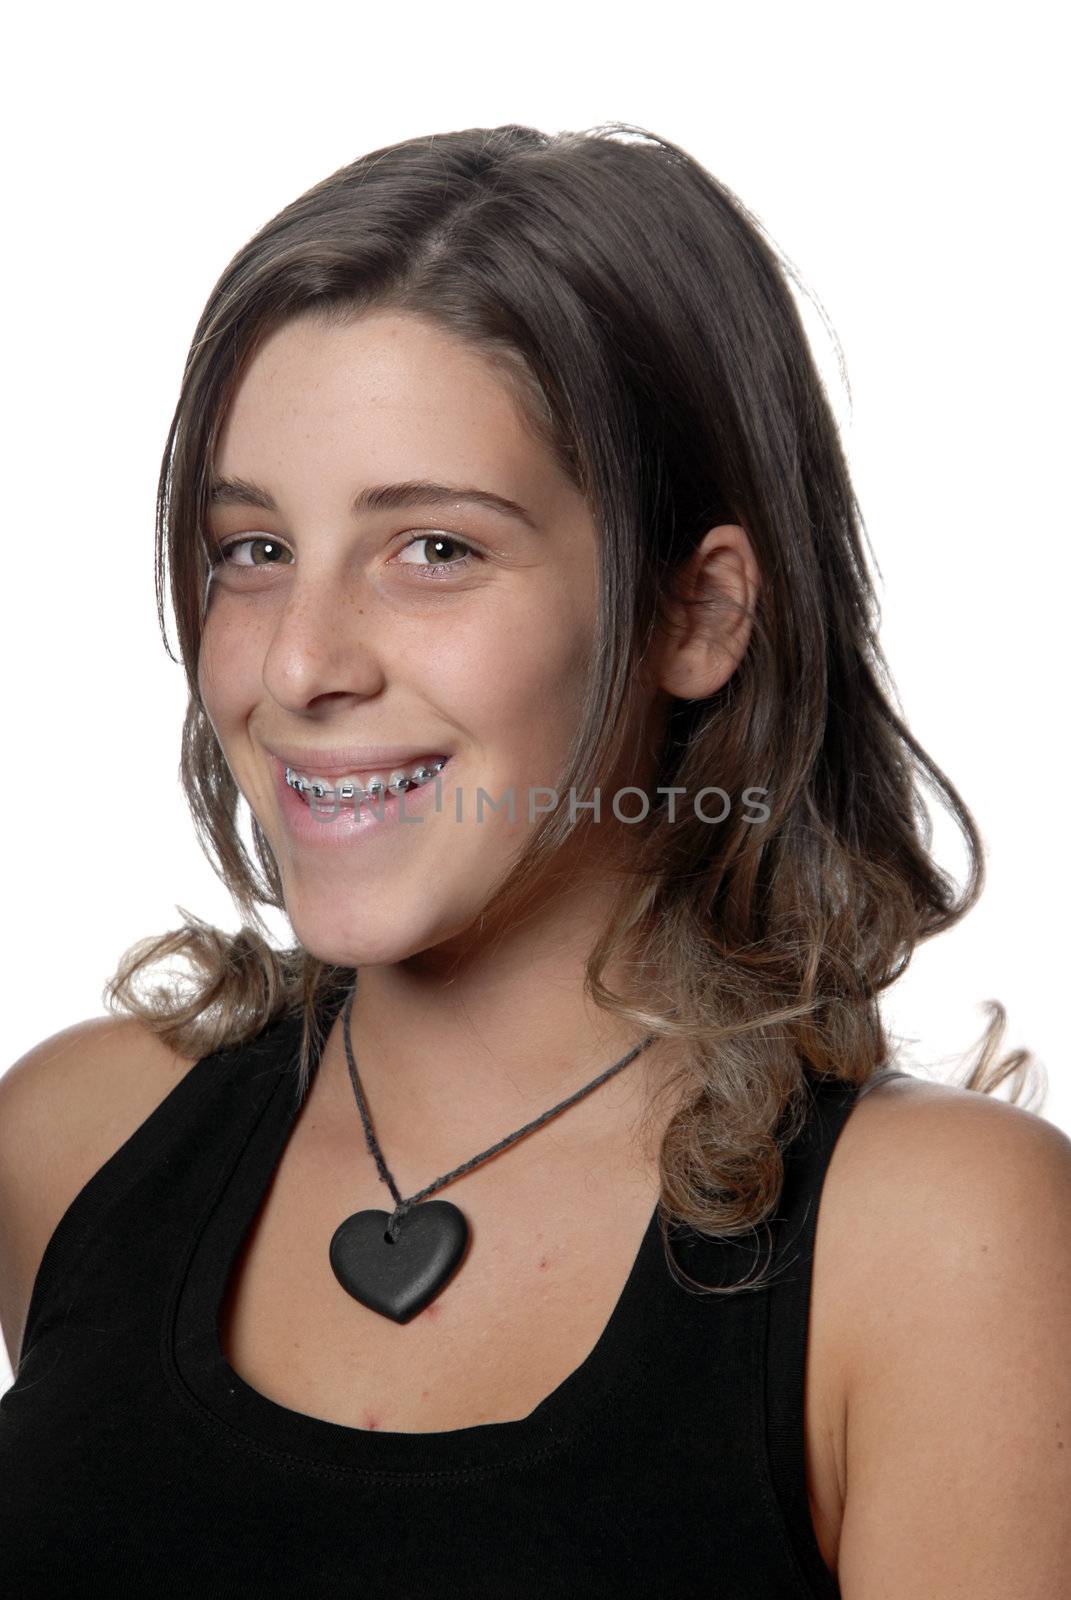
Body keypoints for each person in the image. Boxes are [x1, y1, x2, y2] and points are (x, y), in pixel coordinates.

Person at [1, 120, 1067, 1598]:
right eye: (252, 549)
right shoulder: (75, 1141)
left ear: (695, 616)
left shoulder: (942, 1247)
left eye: (433, 549)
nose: (296, 664)